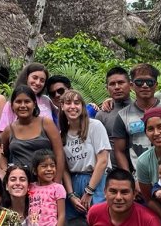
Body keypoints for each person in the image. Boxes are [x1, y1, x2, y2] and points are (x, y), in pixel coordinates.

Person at [109, 64, 161, 172]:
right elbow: (119, 151)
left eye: (149, 82)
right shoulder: (123, 115)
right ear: (132, 85)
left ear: (156, 85)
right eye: (139, 82)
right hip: (140, 176)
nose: (145, 86)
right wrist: (130, 180)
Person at [59, 89, 110, 222]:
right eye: (68, 103)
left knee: (99, 219)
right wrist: (70, 195)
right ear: (62, 106)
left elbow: (103, 160)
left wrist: (89, 191)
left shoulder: (95, 126)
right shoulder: (61, 134)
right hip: (73, 183)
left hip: (96, 181)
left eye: (77, 103)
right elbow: (63, 168)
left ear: (82, 106)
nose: (72, 107)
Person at [2, 85, 67, 178]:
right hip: (21, 186)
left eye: (27, 101)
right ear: (12, 105)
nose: (23, 105)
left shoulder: (46, 123)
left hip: (46, 184)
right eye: (18, 102)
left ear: (34, 104)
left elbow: (59, 154)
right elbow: (1, 155)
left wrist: (56, 184)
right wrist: (7, 173)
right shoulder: (9, 130)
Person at [85, 170, 160, 226]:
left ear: (134, 194)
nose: (118, 197)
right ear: (105, 192)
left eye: (124, 192)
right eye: (113, 191)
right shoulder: (94, 212)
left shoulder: (149, 221)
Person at [0, 64, 57, 129]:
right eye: (34, 78)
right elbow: (3, 130)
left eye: (42, 80)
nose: (38, 83)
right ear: (26, 77)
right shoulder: (12, 103)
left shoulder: (46, 100)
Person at [96, 68, 132, 171]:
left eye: (121, 83)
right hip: (112, 174)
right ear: (107, 88)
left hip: (142, 172)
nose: (117, 87)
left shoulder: (141, 110)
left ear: (130, 85)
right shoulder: (102, 115)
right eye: (112, 84)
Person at [27, 150, 67, 226]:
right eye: (44, 166)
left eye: (52, 166)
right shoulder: (30, 187)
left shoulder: (58, 188)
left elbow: (62, 215)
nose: (49, 169)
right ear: (35, 171)